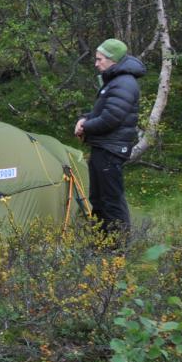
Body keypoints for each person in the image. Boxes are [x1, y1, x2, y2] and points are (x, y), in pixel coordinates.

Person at [74, 38, 145, 238]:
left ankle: (116, 247)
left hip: (111, 150)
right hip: (104, 147)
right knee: (98, 198)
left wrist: (85, 127)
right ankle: (101, 242)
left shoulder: (124, 83)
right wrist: (85, 119)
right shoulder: (115, 81)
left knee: (111, 200)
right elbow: (103, 112)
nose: (96, 64)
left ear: (113, 60)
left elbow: (111, 118)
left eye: (100, 59)